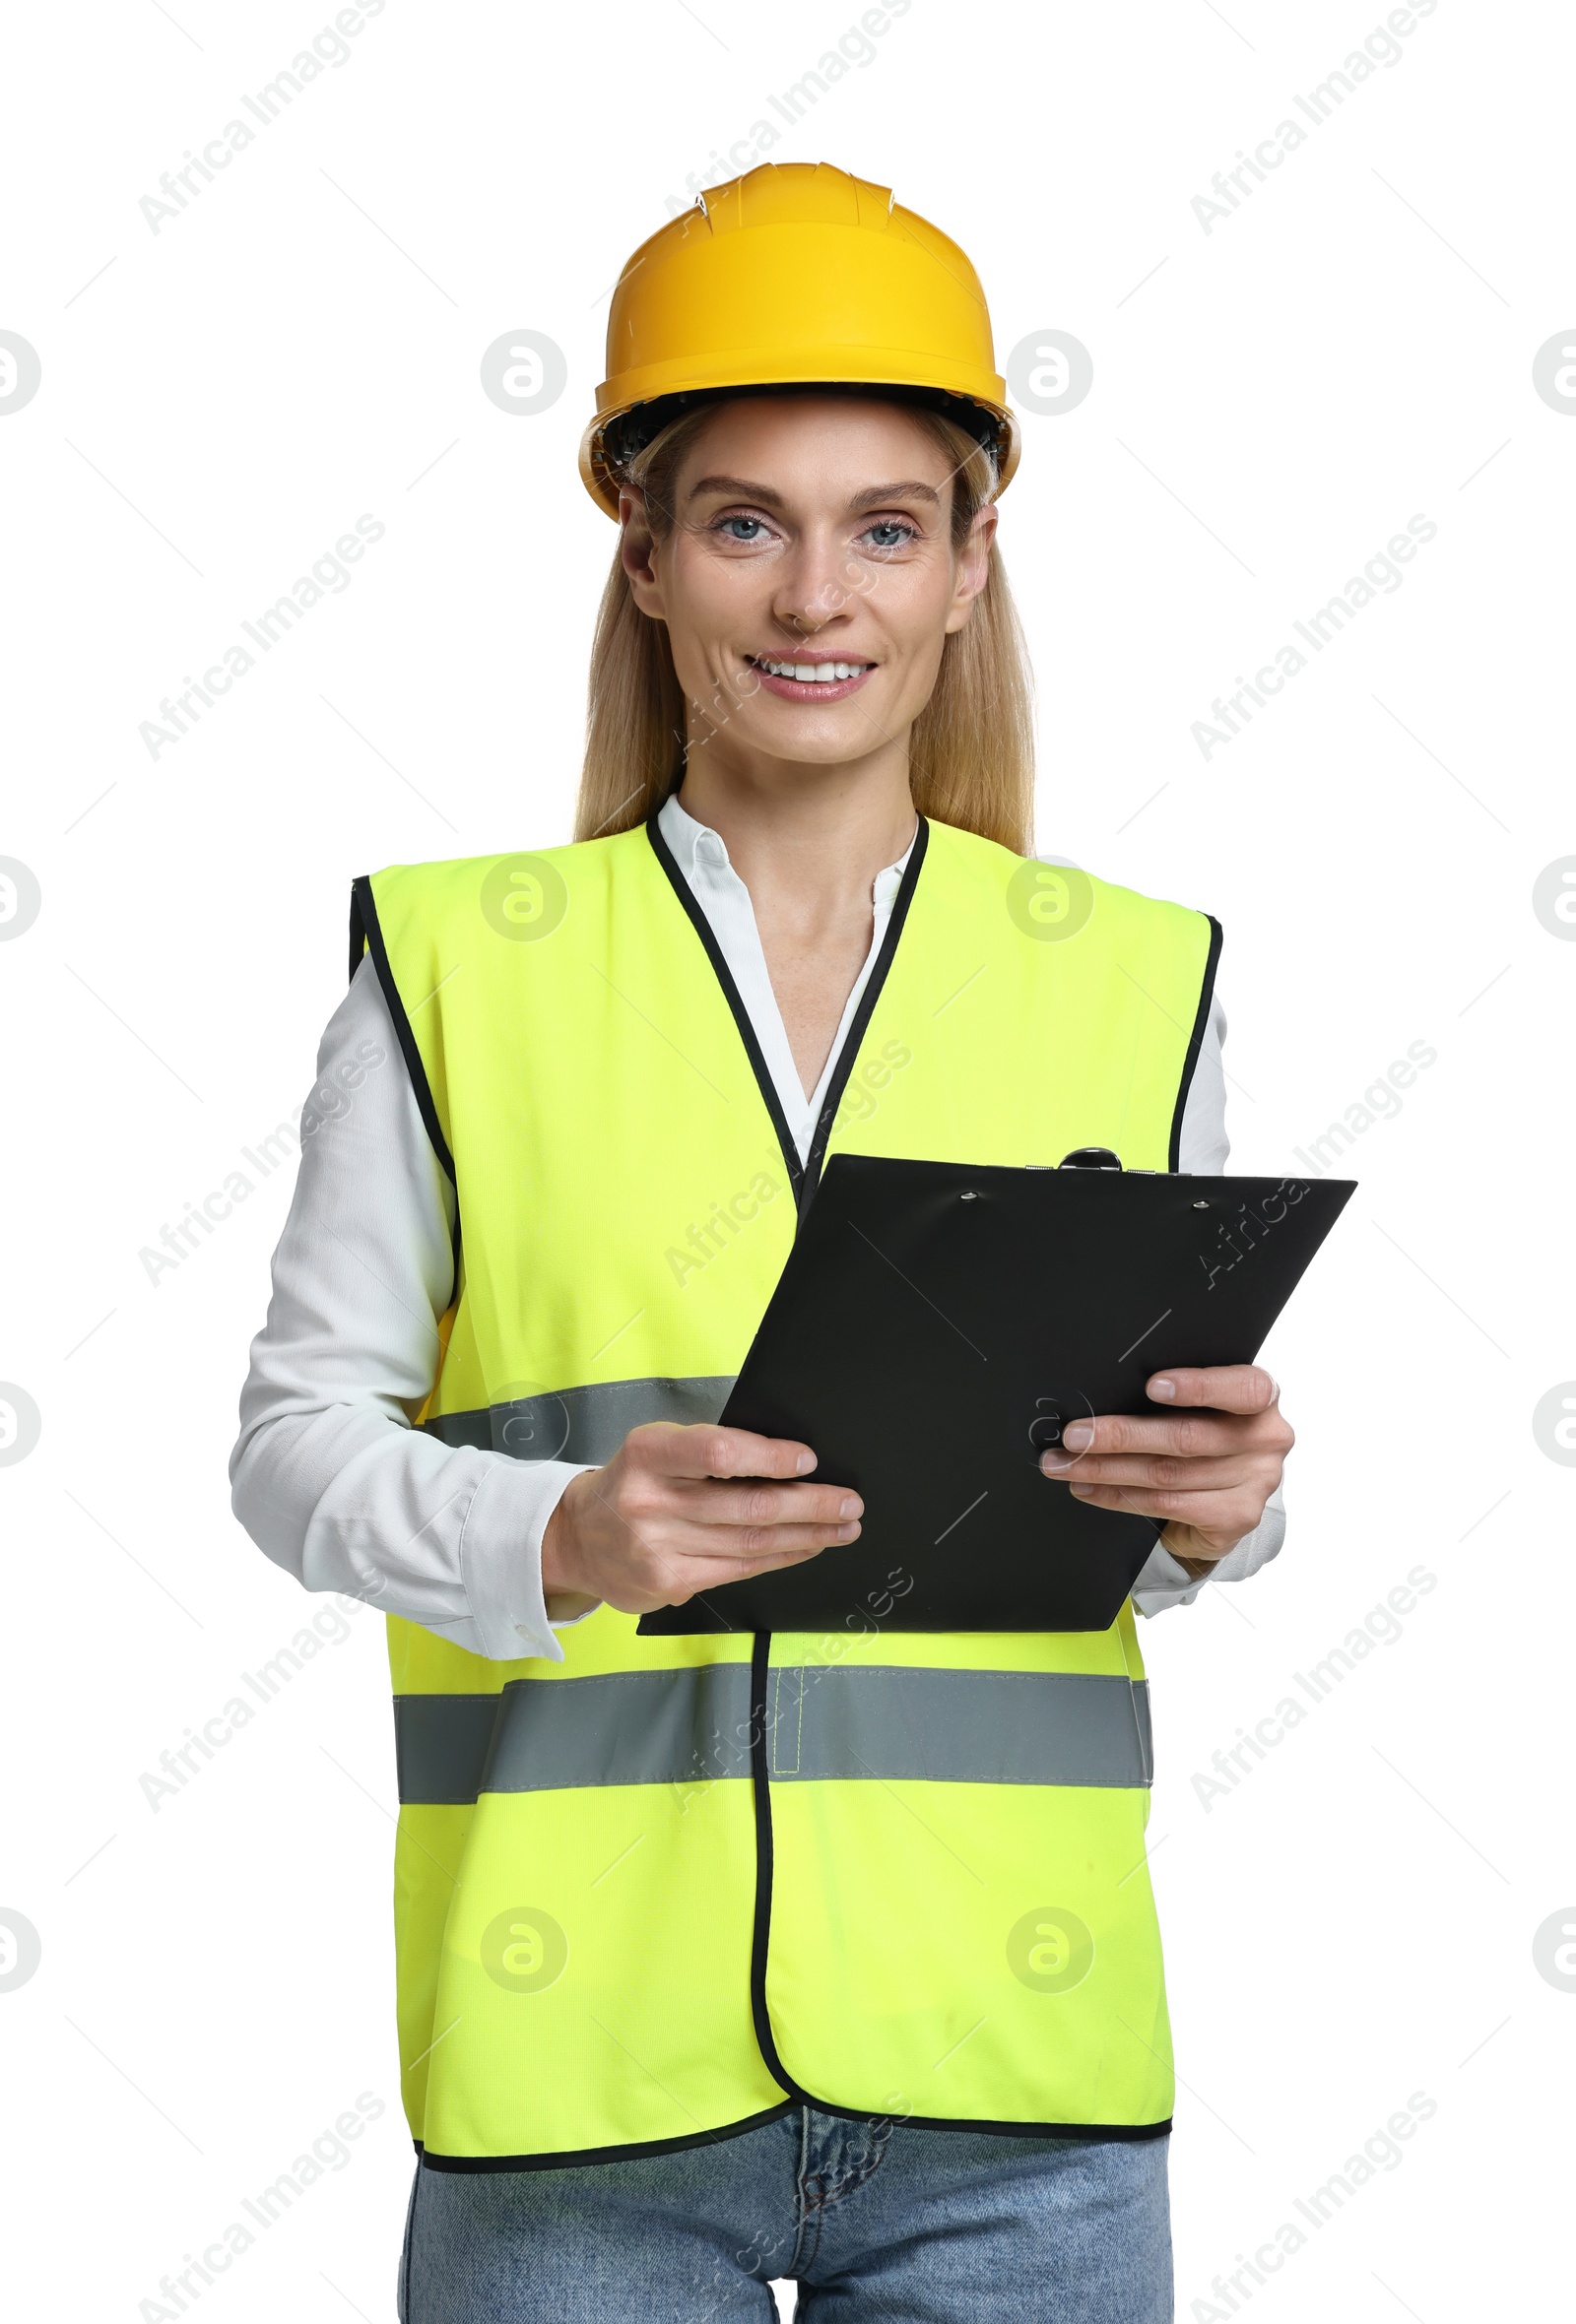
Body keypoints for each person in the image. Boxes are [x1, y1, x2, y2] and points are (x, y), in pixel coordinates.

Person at [231, 162, 1293, 2324]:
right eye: (744, 520)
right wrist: (554, 1535)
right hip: (579, 2094)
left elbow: (1160, 1515)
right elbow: (287, 1449)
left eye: (884, 525)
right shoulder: (459, 971)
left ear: (970, 563)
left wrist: (1219, 1508)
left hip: (1022, 2084)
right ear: (640, 552)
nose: (816, 595)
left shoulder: (1131, 975)